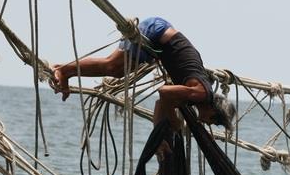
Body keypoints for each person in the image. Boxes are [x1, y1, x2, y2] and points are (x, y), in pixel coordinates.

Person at [53, 16, 234, 133]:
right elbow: (164, 93)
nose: (208, 124)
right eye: (213, 121)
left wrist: (159, 138)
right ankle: (64, 70)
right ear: (212, 110)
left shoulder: (193, 96)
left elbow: (161, 103)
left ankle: (65, 70)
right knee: (113, 67)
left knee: (115, 68)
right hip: (157, 33)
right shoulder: (201, 93)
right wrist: (173, 120)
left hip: (159, 38)